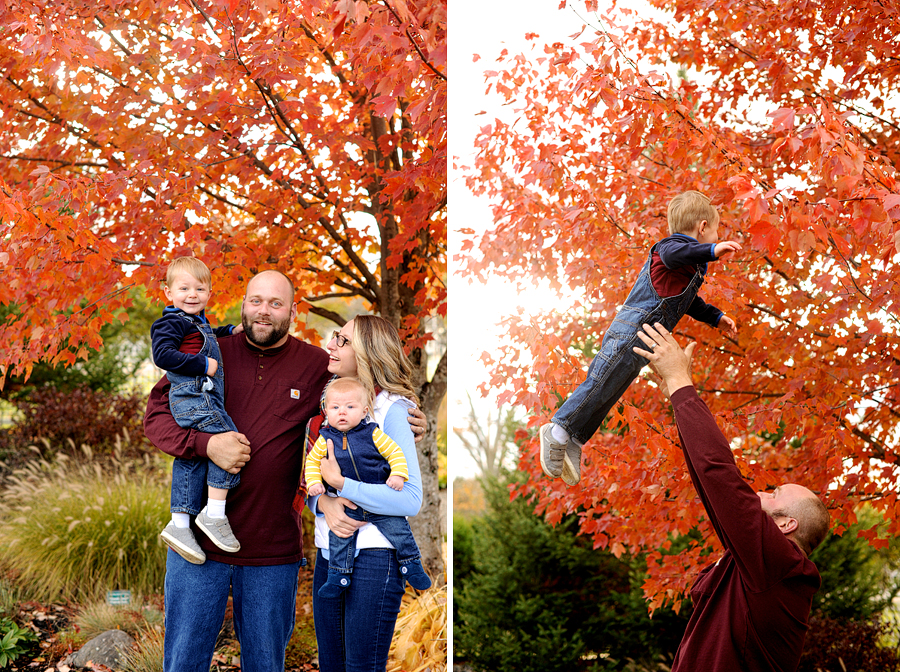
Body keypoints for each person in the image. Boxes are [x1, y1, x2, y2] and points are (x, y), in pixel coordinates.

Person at [143, 270, 426, 672]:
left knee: (266, 664)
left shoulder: (318, 368)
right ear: (243, 303)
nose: (264, 311)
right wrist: (207, 445)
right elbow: (156, 418)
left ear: (293, 311)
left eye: (276, 304)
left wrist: (412, 419)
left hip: (272, 551)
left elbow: (367, 396)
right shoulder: (209, 353)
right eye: (256, 300)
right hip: (197, 546)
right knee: (184, 662)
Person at [633, 322, 829, 672]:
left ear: (787, 524)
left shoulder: (782, 567)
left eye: (773, 493)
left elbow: (721, 477)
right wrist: (675, 395)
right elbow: (710, 486)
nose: (760, 492)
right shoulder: (754, 564)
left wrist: (682, 382)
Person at [541, 190, 743, 486]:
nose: (716, 237)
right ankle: (557, 430)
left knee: (610, 391)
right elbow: (679, 254)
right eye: (715, 231)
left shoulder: (690, 267)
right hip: (631, 330)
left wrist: (716, 317)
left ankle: (574, 439)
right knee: (599, 384)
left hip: (644, 340)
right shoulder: (671, 248)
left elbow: (690, 301)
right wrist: (713, 251)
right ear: (702, 227)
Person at [307, 314, 426, 672]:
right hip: (329, 552)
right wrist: (323, 501)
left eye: (343, 341)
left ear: (368, 353)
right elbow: (315, 477)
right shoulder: (331, 404)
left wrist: (344, 486)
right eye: (334, 336)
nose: (331, 344)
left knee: (361, 667)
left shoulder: (392, 410)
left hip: (375, 557)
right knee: (331, 666)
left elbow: (410, 499)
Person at [153, 256, 244, 565]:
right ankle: (214, 514)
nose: (192, 295)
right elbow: (162, 354)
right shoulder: (170, 321)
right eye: (184, 288)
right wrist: (204, 364)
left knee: (191, 459)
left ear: (208, 292)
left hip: (196, 399)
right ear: (168, 292)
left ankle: (180, 525)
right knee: (229, 442)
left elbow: (207, 335)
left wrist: (232, 329)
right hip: (194, 397)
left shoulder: (195, 321)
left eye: (200, 288)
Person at [305, 376, 431, 597]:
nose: (342, 412)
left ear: (364, 411)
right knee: (340, 539)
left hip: (377, 497)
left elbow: (395, 453)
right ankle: (338, 576)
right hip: (346, 504)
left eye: (349, 407)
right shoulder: (325, 438)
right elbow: (312, 463)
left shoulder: (372, 433)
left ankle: (411, 564)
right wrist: (315, 482)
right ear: (327, 410)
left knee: (399, 530)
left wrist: (399, 475)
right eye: (335, 408)